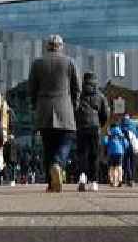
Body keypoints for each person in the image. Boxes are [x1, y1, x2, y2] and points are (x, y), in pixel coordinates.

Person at [28, 34, 81, 193]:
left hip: (44, 108)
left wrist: (35, 106)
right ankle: (58, 164)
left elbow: (31, 89)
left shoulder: (37, 63)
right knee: (66, 140)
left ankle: (51, 184)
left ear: (47, 46)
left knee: (48, 146)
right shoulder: (70, 62)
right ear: (61, 46)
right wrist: (73, 106)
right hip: (64, 108)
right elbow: (77, 88)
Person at [75, 71, 110, 192]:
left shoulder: (79, 95)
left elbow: (74, 111)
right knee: (94, 155)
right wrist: (100, 124)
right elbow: (105, 114)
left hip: (81, 127)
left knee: (82, 154)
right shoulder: (100, 96)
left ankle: (82, 177)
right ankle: (94, 182)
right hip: (95, 128)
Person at [119, 113, 138, 187]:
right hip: (134, 145)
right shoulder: (136, 123)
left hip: (125, 146)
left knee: (126, 163)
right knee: (133, 163)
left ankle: (129, 179)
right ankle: (132, 180)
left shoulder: (121, 124)